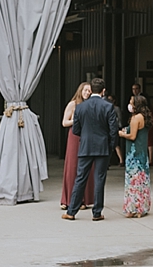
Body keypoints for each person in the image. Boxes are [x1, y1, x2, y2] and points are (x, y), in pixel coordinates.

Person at [62, 78, 120, 222]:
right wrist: (111, 146)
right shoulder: (108, 106)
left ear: (91, 90)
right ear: (103, 91)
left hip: (85, 146)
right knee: (99, 179)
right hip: (102, 147)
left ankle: (71, 211)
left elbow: (75, 129)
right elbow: (114, 129)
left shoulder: (81, 107)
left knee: (80, 178)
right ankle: (97, 212)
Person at [60, 82, 95, 210]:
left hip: (88, 136)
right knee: (72, 166)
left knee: (86, 167)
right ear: (80, 91)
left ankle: (83, 199)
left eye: (89, 91)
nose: (87, 93)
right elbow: (64, 122)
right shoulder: (73, 104)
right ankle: (67, 199)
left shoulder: (91, 105)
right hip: (75, 137)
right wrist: (76, 120)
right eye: (85, 90)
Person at [118, 94, 152, 218]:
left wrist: (121, 134)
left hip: (133, 154)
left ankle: (132, 207)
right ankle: (142, 207)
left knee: (132, 182)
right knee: (142, 181)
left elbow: (132, 136)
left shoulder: (135, 118)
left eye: (132, 103)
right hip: (142, 154)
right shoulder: (145, 117)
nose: (130, 105)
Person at [132, 83, 153, 166]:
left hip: (146, 119)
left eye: (136, 89)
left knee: (149, 140)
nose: (134, 91)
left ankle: (150, 159)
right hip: (142, 120)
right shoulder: (134, 98)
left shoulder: (143, 98)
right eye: (133, 89)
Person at [106, 94, 124, 166]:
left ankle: (121, 160)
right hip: (108, 128)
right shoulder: (107, 108)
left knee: (116, 145)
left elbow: (119, 118)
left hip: (115, 127)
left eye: (111, 99)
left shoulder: (116, 108)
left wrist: (119, 127)